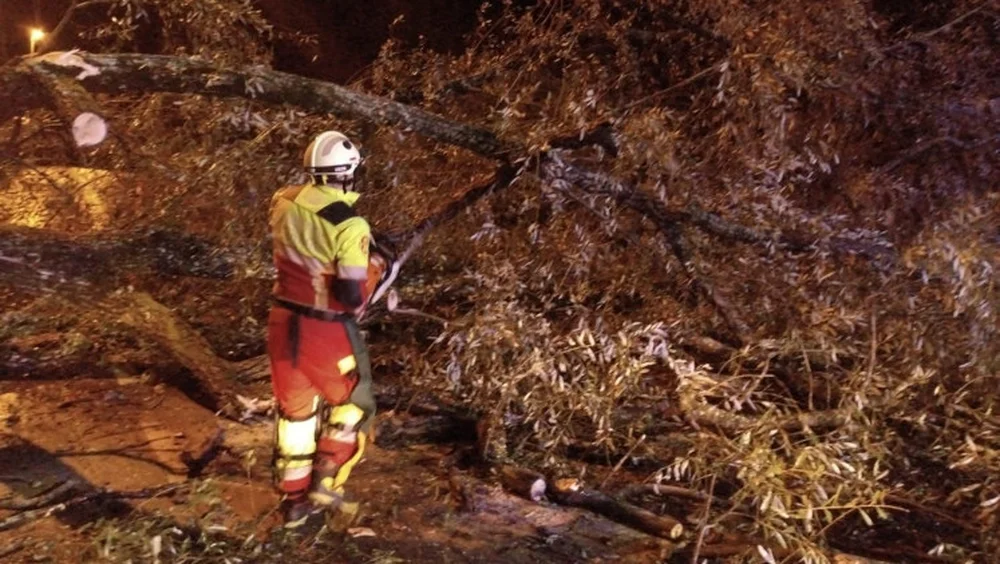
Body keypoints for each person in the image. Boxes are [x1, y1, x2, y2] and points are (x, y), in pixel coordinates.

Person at [266, 130, 391, 529]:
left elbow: (309, 246)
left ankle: (293, 502)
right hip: (326, 333)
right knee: (354, 404)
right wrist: (377, 268)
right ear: (347, 174)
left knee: (296, 416)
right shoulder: (351, 225)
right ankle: (325, 481)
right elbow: (352, 296)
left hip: (282, 323)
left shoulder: (282, 201)